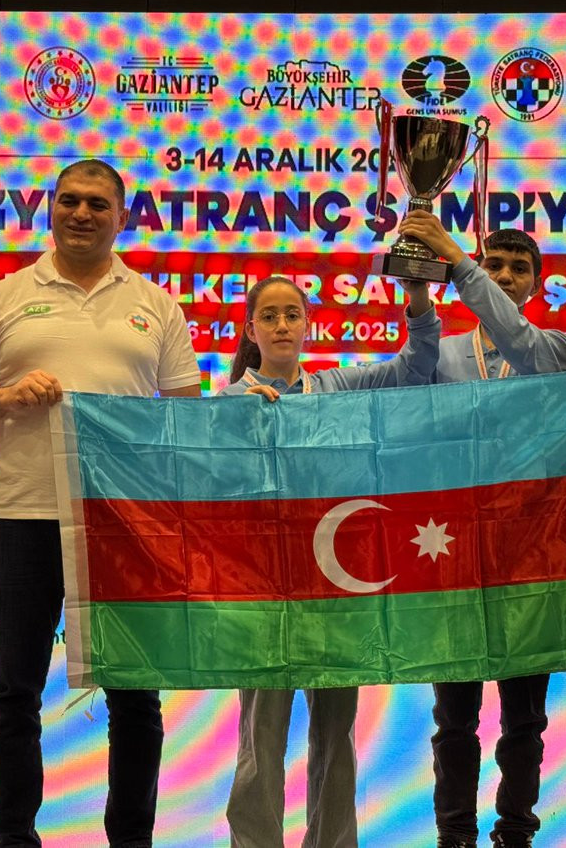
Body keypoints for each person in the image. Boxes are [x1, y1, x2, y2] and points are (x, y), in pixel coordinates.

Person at [0, 159, 201, 847]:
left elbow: (187, 420)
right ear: (50, 208)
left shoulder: (156, 304)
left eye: (97, 204)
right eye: (70, 201)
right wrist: (3, 397)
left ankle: (131, 842)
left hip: (123, 525)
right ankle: (14, 839)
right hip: (21, 518)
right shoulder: (4, 297)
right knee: (14, 695)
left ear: (122, 217)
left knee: (135, 698)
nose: (81, 213)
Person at [221, 273, 441, 848]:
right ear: (250, 330)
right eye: (269, 316)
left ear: (308, 325)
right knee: (260, 736)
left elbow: (416, 366)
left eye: (292, 314)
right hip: (263, 592)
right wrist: (235, 425)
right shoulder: (226, 404)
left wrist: (419, 297)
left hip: (334, 589)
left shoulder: (339, 387)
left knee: (336, 734)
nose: (282, 325)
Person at [396, 210, 566, 848]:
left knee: (524, 718)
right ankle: (454, 834)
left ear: (536, 285)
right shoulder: (442, 355)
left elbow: (513, 336)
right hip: (454, 553)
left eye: (517, 269)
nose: (502, 276)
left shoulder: (552, 350)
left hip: (528, 555)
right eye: (492, 265)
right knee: (454, 718)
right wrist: (418, 288)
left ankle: (516, 832)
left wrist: (458, 260)